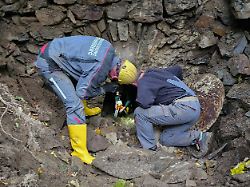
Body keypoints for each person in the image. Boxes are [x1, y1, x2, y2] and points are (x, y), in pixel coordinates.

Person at [34, 35, 138, 164]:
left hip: (57, 48)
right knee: (74, 105)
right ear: (117, 77)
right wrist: (105, 89)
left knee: (85, 77)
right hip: (49, 62)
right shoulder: (100, 69)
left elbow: (87, 74)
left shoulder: (108, 48)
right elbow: (82, 92)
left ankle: (85, 111)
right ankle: (79, 152)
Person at [133, 65, 213, 158]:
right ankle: (200, 137)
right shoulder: (157, 72)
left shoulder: (143, 81)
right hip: (194, 107)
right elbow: (178, 69)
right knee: (166, 139)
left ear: (133, 83)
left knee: (140, 112)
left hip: (183, 107)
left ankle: (149, 151)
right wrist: (173, 90)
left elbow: (145, 104)